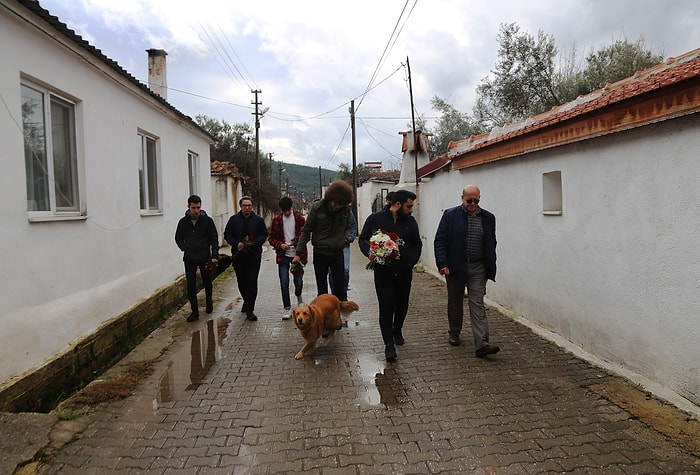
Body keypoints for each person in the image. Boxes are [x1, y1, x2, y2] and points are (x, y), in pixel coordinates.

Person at [434, 184, 499, 358]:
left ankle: (482, 343)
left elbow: (492, 242)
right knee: (455, 301)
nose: (472, 203)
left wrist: (490, 264)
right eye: (469, 200)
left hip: (479, 267)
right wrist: (442, 263)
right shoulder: (450, 215)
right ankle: (454, 331)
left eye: (476, 200)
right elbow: (440, 240)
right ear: (462, 198)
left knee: (477, 302)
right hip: (456, 266)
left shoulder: (488, 218)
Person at [359, 189, 422, 361]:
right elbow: (362, 238)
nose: (411, 210)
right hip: (383, 272)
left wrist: (412, 260)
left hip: (404, 272)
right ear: (397, 204)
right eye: (409, 206)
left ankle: (397, 330)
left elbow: (417, 243)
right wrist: (368, 252)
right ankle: (388, 345)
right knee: (386, 307)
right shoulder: (376, 219)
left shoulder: (410, 222)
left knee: (402, 305)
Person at [293, 180, 354, 304]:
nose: (338, 207)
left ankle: (338, 317)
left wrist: (345, 239)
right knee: (322, 291)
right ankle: (323, 317)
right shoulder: (317, 208)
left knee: (340, 289)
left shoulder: (345, 210)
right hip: (320, 253)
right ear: (330, 198)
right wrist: (298, 253)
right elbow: (306, 231)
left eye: (341, 204)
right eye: (336, 203)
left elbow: (349, 226)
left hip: (337, 253)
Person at [174, 195, 219, 322]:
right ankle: (194, 311)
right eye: (193, 207)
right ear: (188, 207)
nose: (196, 210)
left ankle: (209, 304)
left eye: (198, 207)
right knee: (190, 284)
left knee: (207, 282)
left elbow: (214, 238)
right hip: (189, 258)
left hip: (205, 256)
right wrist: (184, 247)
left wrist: (214, 255)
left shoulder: (207, 221)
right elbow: (178, 237)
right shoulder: (183, 222)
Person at [224, 196, 268, 321]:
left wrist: (255, 242)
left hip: (253, 256)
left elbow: (264, 234)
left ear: (252, 206)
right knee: (241, 281)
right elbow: (227, 234)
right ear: (241, 206)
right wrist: (236, 243)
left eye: (249, 205)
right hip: (239, 256)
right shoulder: (233, 220)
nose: (247, 208)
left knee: (252, 281)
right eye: (245, 205)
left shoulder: (258, 220)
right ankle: (246, 300)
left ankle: (250, 310)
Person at [268, 197, 307, 320]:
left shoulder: (300, 220)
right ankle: (287, 307)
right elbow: (271, 238)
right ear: (281, 210)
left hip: (297, 255)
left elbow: (307, 235)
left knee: (298, 281)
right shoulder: (276, 221)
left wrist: (297, 244)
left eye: (288, 210)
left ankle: (299, 296)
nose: (287, 213)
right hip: (283, 256)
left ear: (292, 208)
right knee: (284, 282)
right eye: (284, 211)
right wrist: (280, 245)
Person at [329, 209, 357, 293]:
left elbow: (353, 225)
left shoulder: (347, 211)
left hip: (344, 245)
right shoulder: (326, 210)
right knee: (331, 271)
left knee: (345, 269)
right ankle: (334, 293)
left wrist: (350, 237)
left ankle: (343, 292)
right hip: (330, 246)